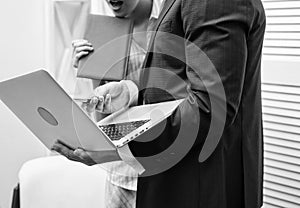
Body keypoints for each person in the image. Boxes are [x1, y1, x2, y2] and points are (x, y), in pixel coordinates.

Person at [53, 0, 266, 207]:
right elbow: (176, 76)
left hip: (203, 184)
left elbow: (209, 107)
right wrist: (129, 91)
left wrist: (115, 147)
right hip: (177, 178)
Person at [54, 0, 163, 208]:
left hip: (166, 165)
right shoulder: (103, 34)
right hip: (122, 174)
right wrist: (92, 72)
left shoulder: (170, 20)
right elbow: (105, 122)